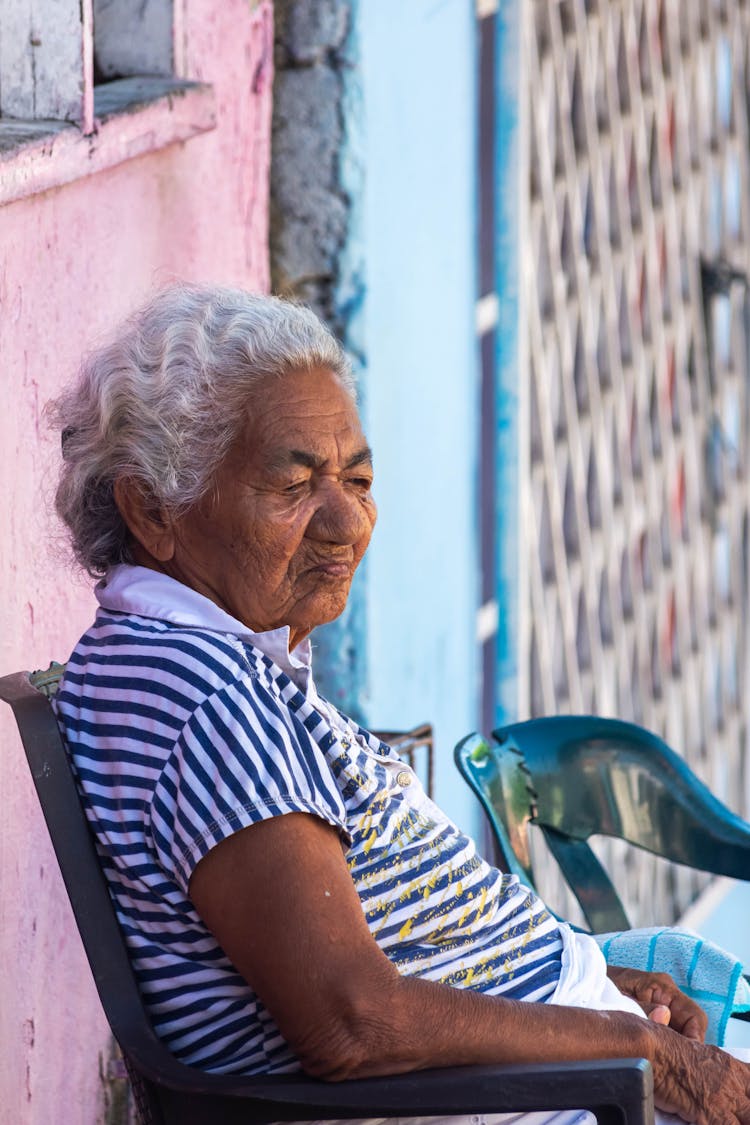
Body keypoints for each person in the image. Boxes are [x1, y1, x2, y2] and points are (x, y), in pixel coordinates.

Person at [48, 284, 750, 1125]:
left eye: (357, 477)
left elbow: (388, 949)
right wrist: (642, 1050)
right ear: (153, 509)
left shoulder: (182, 658)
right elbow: (352, 1021)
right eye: (294, 484)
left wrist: (586, 973)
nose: (347, 522)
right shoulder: (205, 696)